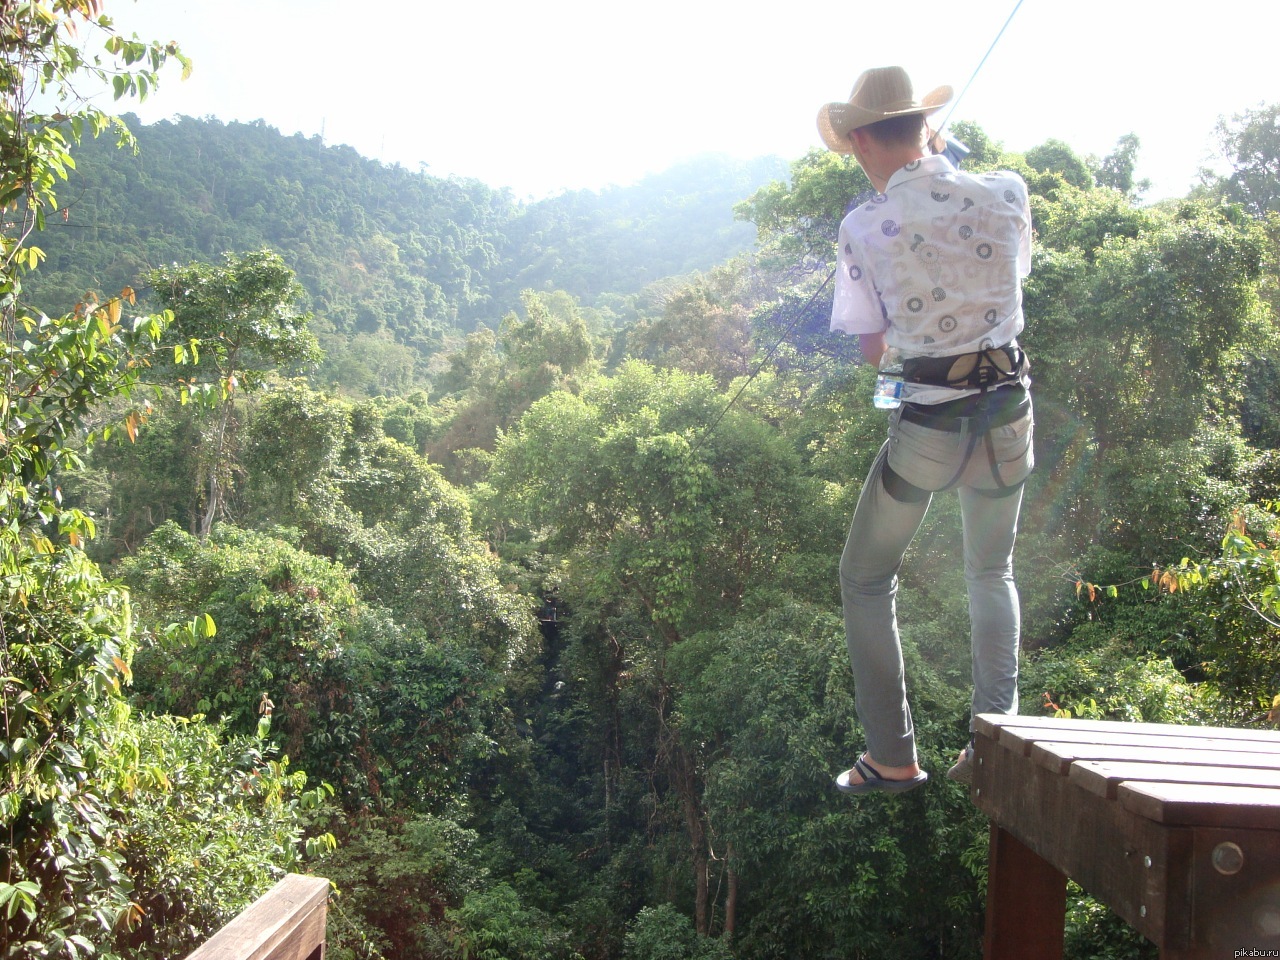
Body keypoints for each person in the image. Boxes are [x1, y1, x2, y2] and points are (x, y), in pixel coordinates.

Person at [816, 66, 1034, 794]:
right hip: (1008, 413)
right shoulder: (1007, 190)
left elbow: (875, 352)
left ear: (862, 140)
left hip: (930, 428)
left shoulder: (864, 225)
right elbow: (1008, 272)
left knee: (866, 578)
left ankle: (893, 757)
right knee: (990, 571)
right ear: (924, 130)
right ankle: (996, 745)